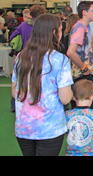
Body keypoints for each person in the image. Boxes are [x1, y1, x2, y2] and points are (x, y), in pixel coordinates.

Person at [11, 14, 73, 156]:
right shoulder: (60, 60)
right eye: (60, 30)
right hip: (50, 128)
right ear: (53, 32)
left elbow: (15, 92)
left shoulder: (21, 57)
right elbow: (65, 98)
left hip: (24, 127)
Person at [66, 1, 93, 109]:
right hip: (82, 76)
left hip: (84, 74)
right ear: (84, 12)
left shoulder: (85, 27)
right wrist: (84, 68)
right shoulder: (80, 28)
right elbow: (70, 52)